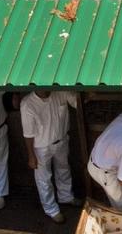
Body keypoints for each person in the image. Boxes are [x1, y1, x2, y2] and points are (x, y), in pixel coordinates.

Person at [20, 90, 79, 223]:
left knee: (64, 169)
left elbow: (77, 102)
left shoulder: (59, 92)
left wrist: (88, 95)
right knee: (44, 179)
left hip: (62, 139)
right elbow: (28, 134)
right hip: (41, 147)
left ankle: (66, 197)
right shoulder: (27, 104)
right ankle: (51, 209)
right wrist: (31, 155)